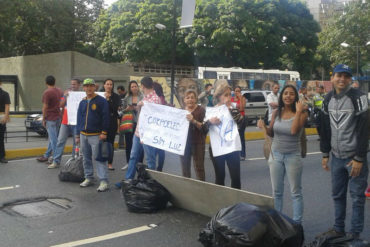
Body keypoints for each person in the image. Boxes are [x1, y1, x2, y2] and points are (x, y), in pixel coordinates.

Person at [319, 64, 368, 239]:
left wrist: (359, 157)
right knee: (337, 195)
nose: (342, 79)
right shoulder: (327, 99)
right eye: (339, 75)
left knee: (356, 198)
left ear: (350, 79)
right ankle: (338, 228)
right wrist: (325, 153)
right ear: (332, 78)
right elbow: (324, 128)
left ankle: (354, 234)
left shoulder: (359, 97)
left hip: (354, 158)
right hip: (336, 157)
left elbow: (364, 129)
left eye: (346, 76)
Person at [257, 84, 308, 224]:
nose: (288, 96)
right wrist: (263, 126)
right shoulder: (276, 113)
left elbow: (293, 131)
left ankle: (297, 224)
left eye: (291, 94)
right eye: (285, 93)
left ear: (296, 97)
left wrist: (298, 112)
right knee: (277, 192)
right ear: (281, 96)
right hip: (276, 155)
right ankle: (277, 222)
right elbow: (271, 133)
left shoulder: (303, 114)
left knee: (295, 193)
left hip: (293, 156)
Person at [204, 81, 244, 189]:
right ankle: (221, 203)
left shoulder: (233, 108)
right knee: (220, 177)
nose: (228, 98)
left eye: (230, 95)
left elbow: (242, 125)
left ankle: (236, 203)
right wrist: (209, 122)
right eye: (225, 95)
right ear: (219, 96)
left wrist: (235, 114)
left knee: (235, 178)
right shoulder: (212, 111)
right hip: (217, 148)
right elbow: (202, 130)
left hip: (232, 148)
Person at [76, 78, 110, 192]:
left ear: (95, 87)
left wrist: (104, 132)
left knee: (99, 158)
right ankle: (88, 177)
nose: (89, 88)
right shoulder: (82, 102)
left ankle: (104, 181)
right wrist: (77, 134)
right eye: (87, 86)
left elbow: (106, 117)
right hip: (83, 135)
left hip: (96, 135)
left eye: (91, 86)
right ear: (84, 88)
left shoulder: (101, 101)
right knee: (86, 158)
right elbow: (79, 119)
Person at [125, 76, 161, 180]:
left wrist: (142, 104)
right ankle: (128, 179)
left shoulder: (154, 98)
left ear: (142, 86)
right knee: (133, 156)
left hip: (148, 134)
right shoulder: (145, 97)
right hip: (138, 132)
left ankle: (151, 181)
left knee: (150, 159)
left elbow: (153, 109)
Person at [48, 78, 81, 169]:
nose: (72, 86)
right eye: (71, 84)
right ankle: (56, 161)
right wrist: (66, 96)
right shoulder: (66, 93)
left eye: (74, 84)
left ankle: (74, 161)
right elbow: (60, 105)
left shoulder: (82, 95)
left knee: (76, 143)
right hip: (65, 121)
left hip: (77, 122)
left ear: (79, 85)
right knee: (60, 141)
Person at [36, 76, 62, 164]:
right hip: (58, 117)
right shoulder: (59, 90)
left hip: (50, 118)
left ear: (46, 83)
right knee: (53, 138)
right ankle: (47, 155)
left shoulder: (47, 92)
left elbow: (45, 107)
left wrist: (43, 119)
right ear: (54, 82)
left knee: (53, 139)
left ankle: (55, 158)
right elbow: (62, 101)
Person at [181, 89, 206, 180]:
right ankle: (188, 189)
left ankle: (201, 188)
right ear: (184, 100)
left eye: (192, 97)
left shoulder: (201, 110)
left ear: (196, 99)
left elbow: (204, 128)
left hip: (198, 142)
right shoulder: (181, 112)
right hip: (184, 144)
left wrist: (193, 120)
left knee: (199, 168)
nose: (190, 100)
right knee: (185, 168)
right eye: (187, 98)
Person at [120, 80, 144, 170]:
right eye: (132, 86)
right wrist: (127, 109)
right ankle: (128, 162)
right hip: (129, 123)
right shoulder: (127, 98)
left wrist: (139, 108)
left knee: (140, 145)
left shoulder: (142, 97)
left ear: (138, 87)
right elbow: (121, 111)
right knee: (129, 144)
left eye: (135, 86)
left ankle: (140, 164)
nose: (134, 88)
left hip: (140, 123)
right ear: (130, 88)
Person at [103, 79, 121, 170]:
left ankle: (110, 163)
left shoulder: (116, 97)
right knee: (102, 143)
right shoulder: (99, 95)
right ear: (104, 85)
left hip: (112, 121)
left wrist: (108, 99)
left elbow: (115, 109)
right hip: (101, 122)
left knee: (110, 143)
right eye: (107, 84)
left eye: (111, 84)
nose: (109, 86)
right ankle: (102, 162)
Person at [153, 82, 166, 171]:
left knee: (155, 150)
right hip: (161, 128)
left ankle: (155, 169)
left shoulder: (157, 99)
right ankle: (159, 168)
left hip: (156, 127)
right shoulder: (162, 98)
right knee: (161, 149)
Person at [231, 86, 247, 160]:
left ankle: (242, 154)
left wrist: (240, 99)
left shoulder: (243, 99)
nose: (237, 92)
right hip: (233, 119)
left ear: (240, 92)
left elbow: (241, 108)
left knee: (241, 137)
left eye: (238, 91)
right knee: (234, 137)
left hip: (241, 119)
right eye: (236, 91)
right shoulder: (231, 99)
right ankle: (235, 154)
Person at [0, 79, 10, 163]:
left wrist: (6, 117)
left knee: (1, 137)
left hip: (1, 117)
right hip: (2, 117)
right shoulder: (5, 94)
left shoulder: (5, 94)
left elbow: (7, 106)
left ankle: (2, 156)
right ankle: (2, 157)